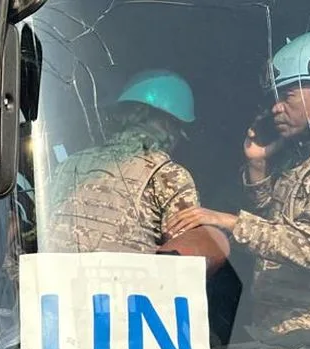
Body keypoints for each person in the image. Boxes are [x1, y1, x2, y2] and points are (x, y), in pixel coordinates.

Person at [166, 28, 310, 335]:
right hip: (286, 331)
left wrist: (228, 222)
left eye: (287, 95)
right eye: (274, 98)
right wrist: (258, 166)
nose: (276, 107)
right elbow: (276, 228)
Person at [44, 69, 201, 254]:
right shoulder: (169, 176)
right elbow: (186, 255)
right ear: (169, 125)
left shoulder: (69, 164)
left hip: (53, 273)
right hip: (121, 275)